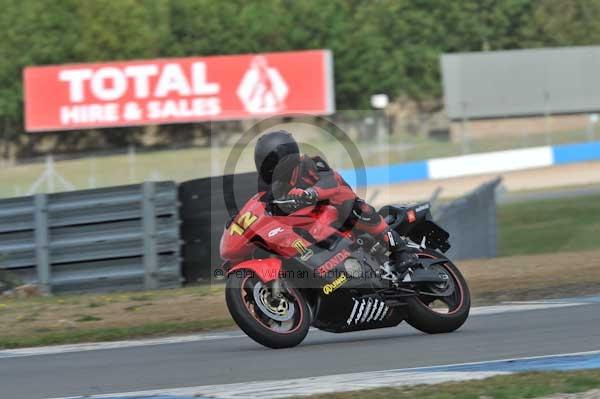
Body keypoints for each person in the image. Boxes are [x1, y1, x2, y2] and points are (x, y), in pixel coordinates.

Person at [254, 130, 418, 275]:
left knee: (354, 208)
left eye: (268, 161)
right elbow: (260, 205)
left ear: (285, 158)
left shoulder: (309, 163)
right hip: (305, 221)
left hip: (335, 205)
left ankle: (400, 249)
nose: (265, 167)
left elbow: (330, 181)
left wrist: (311, 193)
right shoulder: (266, 183)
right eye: (262, 162)